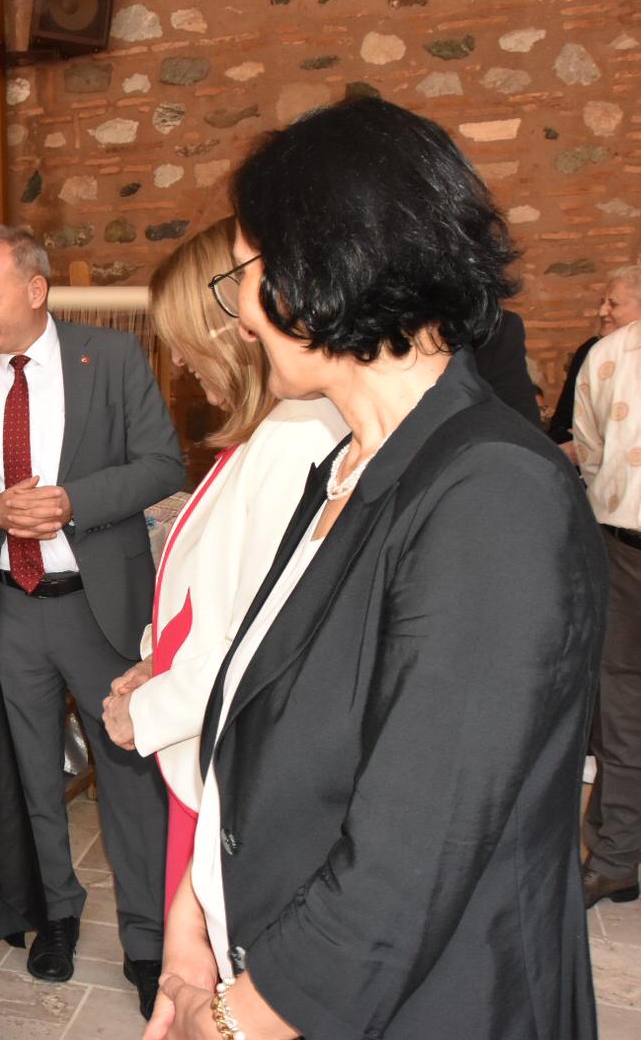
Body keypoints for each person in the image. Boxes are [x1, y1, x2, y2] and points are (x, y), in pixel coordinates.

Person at [149, 98, 603, 1040]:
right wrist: (197, 909)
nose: (240, 319)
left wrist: (232, 1023)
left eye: (245, 275)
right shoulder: (347, 465)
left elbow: (412, 860)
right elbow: (265, 720)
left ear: (324, 267)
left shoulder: (493, 494)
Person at [0, 225, 184, 1008]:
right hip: (7, 610)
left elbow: (163, 464)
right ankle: (53, 914)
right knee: (31, 775)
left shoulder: (115, 358)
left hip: (100, 610)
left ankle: (148, 942)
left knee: (130, 777)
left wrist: (74, 502)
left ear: (35, 290)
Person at [100, 218, 345, 923]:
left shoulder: (297, 441)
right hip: (205, 741)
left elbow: (263, 645)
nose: (178, 362)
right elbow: (214, 595)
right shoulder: (266, 434)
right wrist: (156, 660)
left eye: (181, 340)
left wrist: (145, 711)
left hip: (230, 756)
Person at [572, 262, 641, 909]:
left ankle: (618, 851)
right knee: (619, 706)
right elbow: (590, 452)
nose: (603, 309)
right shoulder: (608, 355)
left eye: (613, 300)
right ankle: (617, 856)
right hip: (623, 547)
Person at [552, 265, 641, 460]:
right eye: (602, 302)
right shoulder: (591, 352)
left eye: (613, 304)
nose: (602, 312)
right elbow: (563, 423)